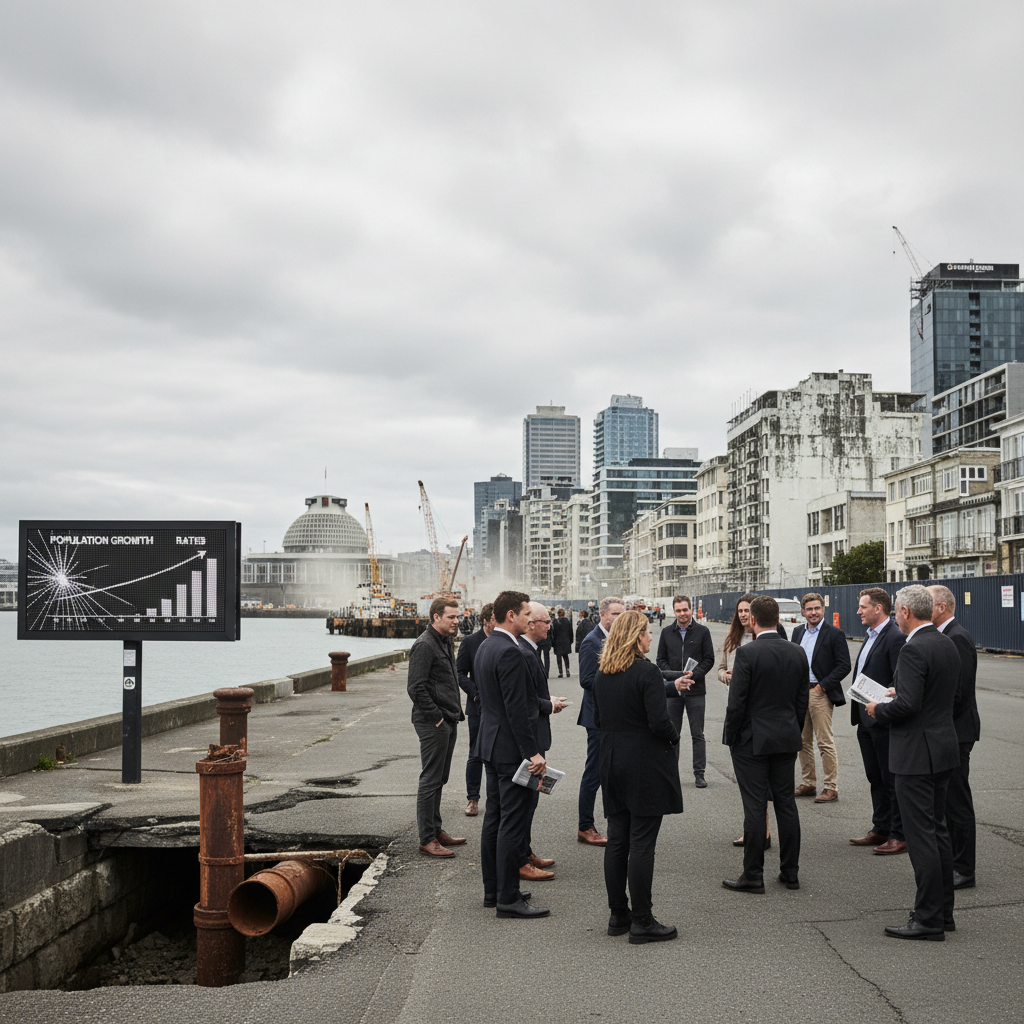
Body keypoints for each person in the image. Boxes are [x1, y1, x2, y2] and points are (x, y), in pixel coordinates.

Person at [866, 585, 960, 940]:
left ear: (905, 612)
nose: (895, 617)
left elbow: (908, 707)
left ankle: (928, 919)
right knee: (938, 832)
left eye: (896, 612)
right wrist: (898, 692)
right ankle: (943, 913)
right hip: (942, 747)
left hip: (916, 755)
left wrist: (879, 708)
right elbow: (936, 693)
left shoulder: (914, 648)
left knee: (922, 839)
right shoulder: (944, 641)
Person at [593, 610, 683, 943]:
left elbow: (599, 718)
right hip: (644, 762)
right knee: (642, 843)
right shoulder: (646, 672)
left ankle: (619, 914)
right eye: (646, 632)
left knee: (618, 839)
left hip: (612, 759)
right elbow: (659, 722)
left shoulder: (604, 672)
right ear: (636, 636)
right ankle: (643, 921)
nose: (650, 637)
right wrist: (674, 737)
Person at [722, 596, 808, 894]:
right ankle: (790, 872)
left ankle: (753, 874)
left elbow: (737, 702)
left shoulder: (747, 654)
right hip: (785, 737)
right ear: (778, 619)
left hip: (752, 741)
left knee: (755, 806)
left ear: (754, 620)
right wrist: (792, 731)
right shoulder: (797, 652)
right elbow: (801, 701)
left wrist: (730, 737)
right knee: (786, 804)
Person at [474, 590, 549, 918]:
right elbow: (516, 710)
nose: (529, 619)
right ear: (510, 616)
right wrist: (532, 753)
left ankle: (494, 889)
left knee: (494, 818)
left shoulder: (486, 646)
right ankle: (508, 897)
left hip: (489, 744)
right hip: (510, 750)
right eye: (524, 614)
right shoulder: (511, 652)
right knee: (512, 822)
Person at [848, 588, 908, 855]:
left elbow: (899, 681)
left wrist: (882, 708)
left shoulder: (895, 638)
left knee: (889, 778)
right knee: (875, 777)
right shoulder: (871, 635)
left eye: (863, 607)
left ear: (878, 609)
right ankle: (880, 827)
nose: (858, 611)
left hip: (882, 721)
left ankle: (898, 834)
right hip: (865, 719)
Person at [928, 584, 980, 890]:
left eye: (928, 604)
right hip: (948, 729)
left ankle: (964, 868)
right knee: (947, 800)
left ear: (942, 608)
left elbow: (959, 693)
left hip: (957, 731)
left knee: (957, 801)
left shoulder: (957, 637)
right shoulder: (944, 636)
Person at [407, 597, 467, 858]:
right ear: (435, 618)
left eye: (457, 616)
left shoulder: (444, 640)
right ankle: (427, 839)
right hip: (434, 722)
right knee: (430, 779)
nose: (457, 621)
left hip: (448, 718)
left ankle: (436, 829)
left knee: (440, 777)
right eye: (451, 617)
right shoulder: (424, 645)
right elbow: (415, 687)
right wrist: (437, 718)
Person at [718, 594, 779, 848]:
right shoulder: (731, 639)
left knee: (759, 781)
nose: (743, 615)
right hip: (737, 706)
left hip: (761, 714)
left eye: (746, 611)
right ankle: (755, 829)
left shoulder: (764, 637)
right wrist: (727, 676)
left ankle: (759, 832)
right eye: (739, 611)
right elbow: (720, 669)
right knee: (749, 782)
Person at [517, 602, 569, 882]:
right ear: (530, 623)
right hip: (529, 738)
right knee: (525, 801)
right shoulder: (522, 652)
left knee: (531, 800)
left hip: (536, 732)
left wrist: (548, 701)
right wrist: (548, 705)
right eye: (545, 621)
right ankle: (521, 858)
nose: (550, 626)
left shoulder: (530, 651)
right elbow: (522, 700)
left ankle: (525, 851)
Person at [791, 593, 850, 804]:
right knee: (802, 741)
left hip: (820, 693)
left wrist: (823, 686)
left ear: (823, 609)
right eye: (809, 609)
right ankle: (808, 783)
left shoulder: (834, 634)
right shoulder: (797, 632)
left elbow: (844, 665)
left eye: (817, 608)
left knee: (824, 741)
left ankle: (830, 787)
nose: (813, 612)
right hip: (800, 693)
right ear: (803, 611)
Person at [576, 596, 625, 846]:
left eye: (622, 614)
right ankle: (585, 826)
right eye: (616, 614)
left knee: (614, 773)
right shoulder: (591, 641)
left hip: (615, 716)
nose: (619, 619)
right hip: (597, 718)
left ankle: (615, 822)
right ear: (603, 615)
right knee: (594, 773)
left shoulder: (618, 639)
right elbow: (586, 680)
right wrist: (617, 682)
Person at [655, 595, 716, 788]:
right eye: (679, 610)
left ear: (691, 610)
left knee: (697, 733)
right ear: (674, 611)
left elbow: (709, 659)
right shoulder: (666, 632)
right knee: (673, 733)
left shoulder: (702, 632)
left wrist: (694, 675)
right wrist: (675, 678)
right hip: (673, 691)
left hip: (696, 690)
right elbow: (660, 660)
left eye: (685, 610)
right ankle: (671, 774)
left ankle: (699, 774)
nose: (682, 613)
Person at [456, 602, 495, 817]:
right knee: (476, 753)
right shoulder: (470, 642)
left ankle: (497, 797)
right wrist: (475, 693)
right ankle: (473, 799)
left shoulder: (509, 640)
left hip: (501, 707)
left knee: (499, 754)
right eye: (494, 621)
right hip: (478, 707)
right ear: (486, 621)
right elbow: (460, 672)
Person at [551, 607, 574, 678]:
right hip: (566, 641)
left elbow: (553, 633)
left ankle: (560, 672)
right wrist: (571, 641)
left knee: (558, 657)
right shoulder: (567, 621)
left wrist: (553, 642)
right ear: (564, 613)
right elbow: (571, 632)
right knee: (566, 657)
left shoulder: (555, 622)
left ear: (558, 614)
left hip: (557, 641)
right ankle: (567, 669)